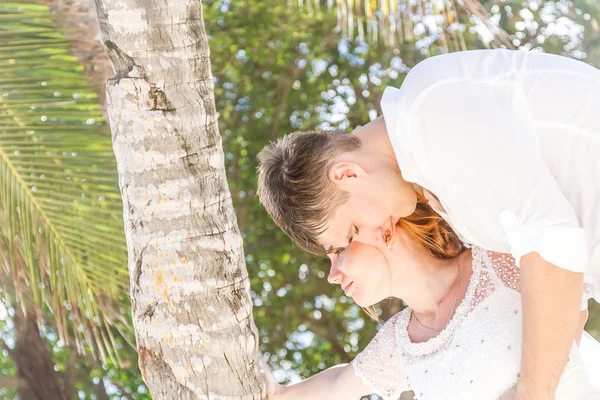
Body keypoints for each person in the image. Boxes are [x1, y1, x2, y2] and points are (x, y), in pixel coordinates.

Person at [257, 49, 600, 398]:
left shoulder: (430, 109)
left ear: (347, 174)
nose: (377, 233)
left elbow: (553, 244)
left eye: (355, 230)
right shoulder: (441, 185)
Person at [260, 210, 600, 399]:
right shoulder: (399, 342)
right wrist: (278, 394)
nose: (332, 275)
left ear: (381, 230)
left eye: (337, 251)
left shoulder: (497, 260)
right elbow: (339, 384)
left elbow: (572, 298)